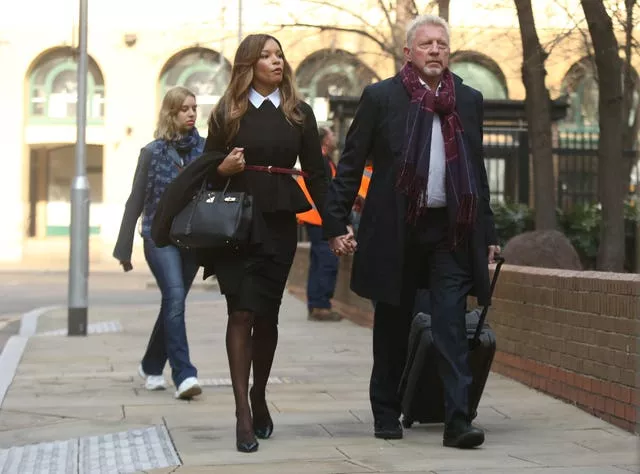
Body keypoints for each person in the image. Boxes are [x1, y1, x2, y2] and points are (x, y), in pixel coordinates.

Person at [322, 14, 501, 449]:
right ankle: (386, 409)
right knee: (392, 324)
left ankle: (458, 419)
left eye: (442, 43)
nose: (435, 50)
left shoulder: (470, 99)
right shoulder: (382, 98)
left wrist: (490, 233)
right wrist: (335, 221)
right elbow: (349, 164)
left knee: (451, 326)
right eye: (426, 44)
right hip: (396, 230)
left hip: (451, 232)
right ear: (409, 53)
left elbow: (475, 172)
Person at [149, 34, 329, 453]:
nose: (276, 61)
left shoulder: (299, 113)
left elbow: (317, 175)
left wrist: (335, 226)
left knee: (267, 319)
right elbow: (208, 170)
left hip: (280, 224)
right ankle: (242, 416)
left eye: (279, 54)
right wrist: (224, 167)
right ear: (249, 64)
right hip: (235, 227)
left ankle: (259, 394)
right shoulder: (227, 112)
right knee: (241, 312)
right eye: (266, 55)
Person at [113, 86, 205, 400]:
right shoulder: (152, 152)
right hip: (158, 237)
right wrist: (124, 248)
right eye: (184, 109)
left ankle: (152, 366)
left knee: (172, 303)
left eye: (194, 108)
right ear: (170, 113)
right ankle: (184, 375)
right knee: (176, 296)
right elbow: (135, 201)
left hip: (192, 239)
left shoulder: (205, 150)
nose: (191, 113)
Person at [296, 126, 341, 321]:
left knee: (318, 261)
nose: (335, 137)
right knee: (326, 261)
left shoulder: (322, 160)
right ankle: (321, 306)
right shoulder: (322, 160)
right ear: (325, 140)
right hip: (320, 218)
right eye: (332, 134)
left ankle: (315, 304)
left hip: (314, 218)